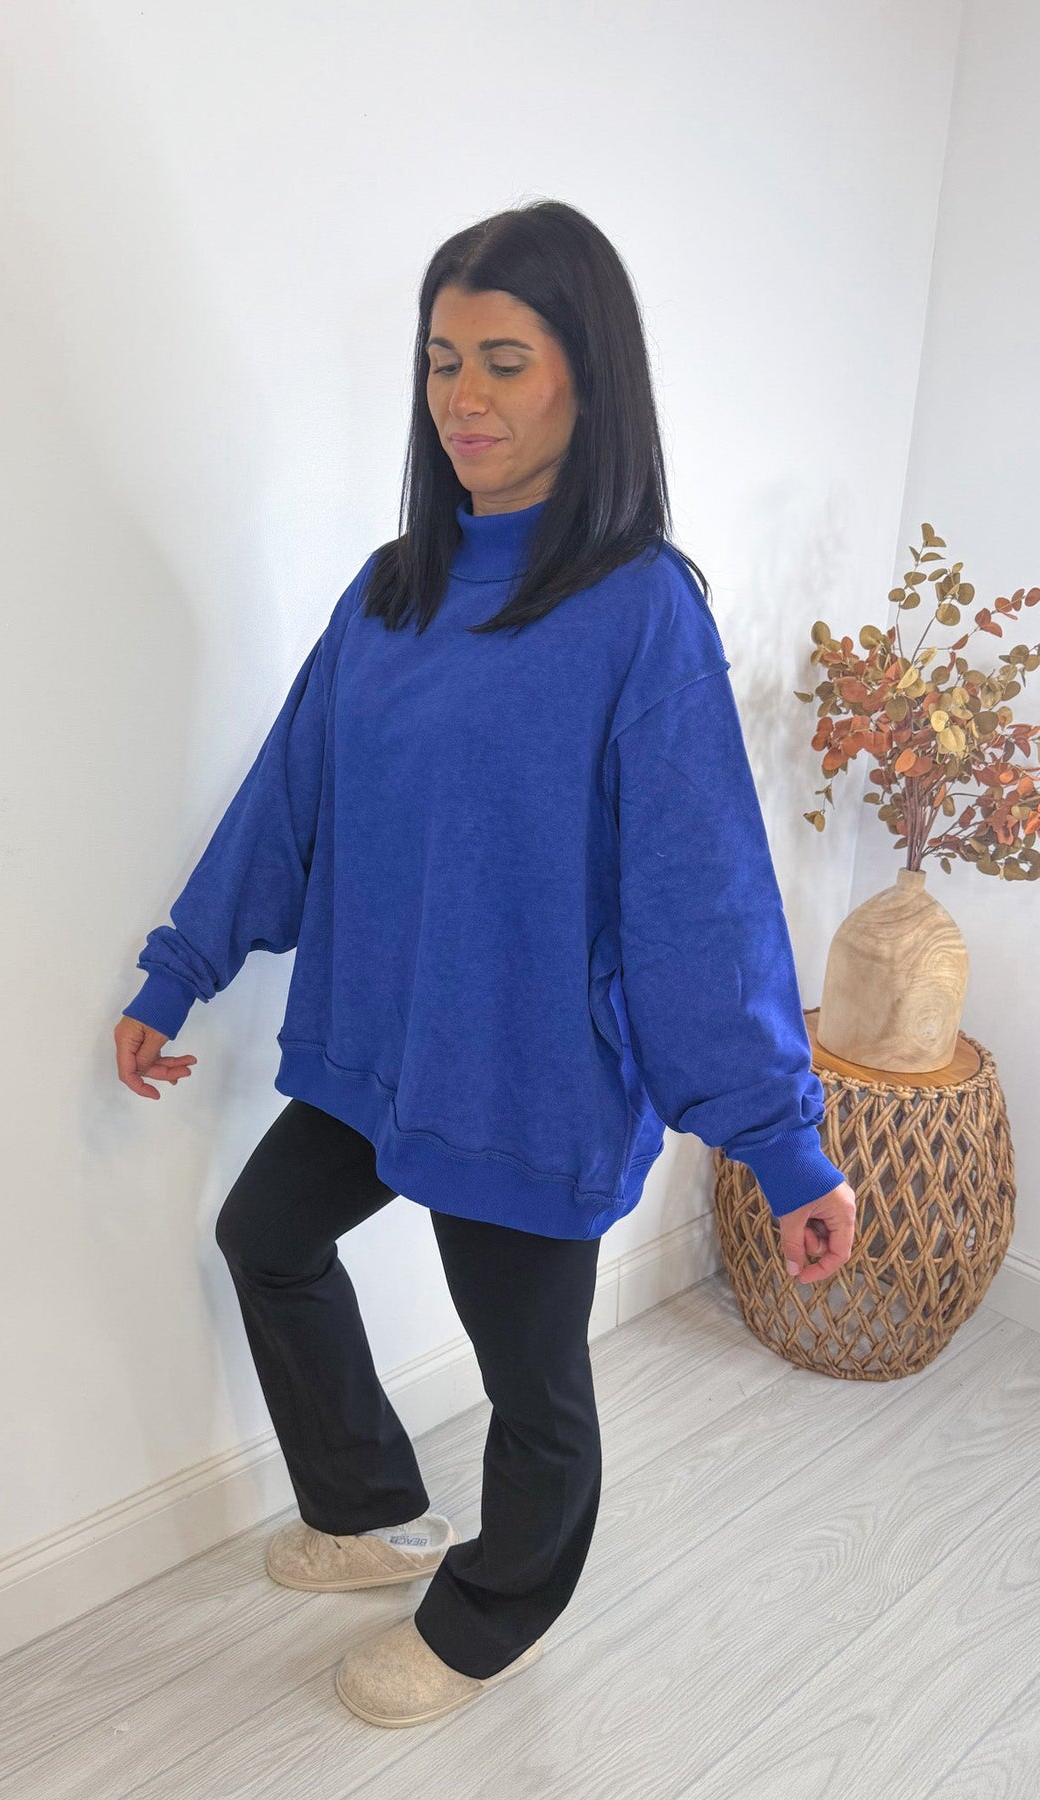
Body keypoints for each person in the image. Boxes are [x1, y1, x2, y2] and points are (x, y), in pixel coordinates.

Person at [114, 200, 856, 1729]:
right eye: (441, 360)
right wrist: (177, 970)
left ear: (589, 377)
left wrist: (782, 1146)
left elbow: (700, 900)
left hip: (526, 1077)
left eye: (503, 362)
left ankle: (487, 1618)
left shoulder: (637, 611)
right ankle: (368, 1507)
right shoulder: (392, 588)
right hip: (385, 1044)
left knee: (532, 1391)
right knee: (266, 1236)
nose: (462, 396)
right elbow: (285, 799)